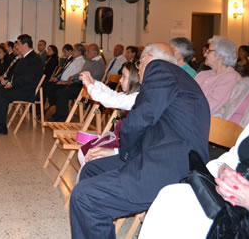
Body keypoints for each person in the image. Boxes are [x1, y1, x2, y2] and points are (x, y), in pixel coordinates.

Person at [70, 43, 210, 239]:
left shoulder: (159, 68)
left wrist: (124, 153)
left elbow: (139, 119)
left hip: (167, 168)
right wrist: (117, 152)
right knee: (91, 169)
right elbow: (152, 125)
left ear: (148, 59)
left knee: (84, 196)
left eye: (140, 61)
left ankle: (93, 209)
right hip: (165, 158)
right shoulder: (178, 79)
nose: (139, 67)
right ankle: (95, 221)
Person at [139, 97, 249, 238]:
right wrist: (223, 170)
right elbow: (235, 154)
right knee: (174, 194)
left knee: (192, 218)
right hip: (228, 194)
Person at [78, 61, 141, 166]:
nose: (120, 80)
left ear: (134, 80)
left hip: (123, 144)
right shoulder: (133, 95)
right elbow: (112, 94)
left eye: (124, 77)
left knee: (88, 156)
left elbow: (110, 100)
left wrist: (88, 85)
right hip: (119, 139)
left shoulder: (135, 98)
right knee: (84, 152)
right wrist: (94, 83)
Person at [0, 34, 44, 136]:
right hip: (20, 87)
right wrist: (9, 82)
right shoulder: (26, 57)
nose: (16, 46)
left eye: (18, 44)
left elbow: (28, 79)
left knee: (2, 94)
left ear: (25, 45)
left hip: (27, 91)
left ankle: (1, 127)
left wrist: (12, 84)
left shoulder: (34, 59)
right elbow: (17, 75)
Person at [50, 43, 106, 122]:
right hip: (80, 83)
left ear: (95, 53)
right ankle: (58, 115)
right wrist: (72, 79)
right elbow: (81, 73)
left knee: (62, 93)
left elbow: (91, 77)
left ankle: (61, 119)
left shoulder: (99, 63)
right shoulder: (90, 61)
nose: (86, 53)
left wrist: (74, 78)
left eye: (88, 51)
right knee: (59, 90)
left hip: (88, 88)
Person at [194, 36, 241, 114]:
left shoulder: (231, 78)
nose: (205, 54)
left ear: (220, 56)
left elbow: (208, 108)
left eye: (208, 51)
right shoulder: (202, 74)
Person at [44, 43, 86, 108]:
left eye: (74, 50)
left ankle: (54, 105)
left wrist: (64, 82)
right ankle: (54, 104)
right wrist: (58, 78)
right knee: (46, 84)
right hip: (63, 80)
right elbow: (64, 71)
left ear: (79, 52)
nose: (72, 52)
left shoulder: (81, 61)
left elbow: (77, 75)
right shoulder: (74, 59)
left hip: (69, 83)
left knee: (52, 88)